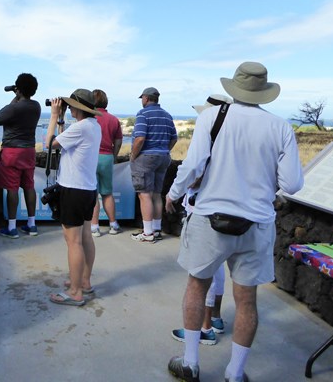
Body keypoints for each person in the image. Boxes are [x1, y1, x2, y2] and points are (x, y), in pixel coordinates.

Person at [165, 62, 304, 382]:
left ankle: (190, 363)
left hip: (209, 219)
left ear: (234, 87)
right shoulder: (280, 127)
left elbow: (193, 165)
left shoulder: (212, 117)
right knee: (247, 301)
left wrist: (173, 193)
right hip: (256, 224)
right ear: (264, 92)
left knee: (196, 287)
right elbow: (293, 184)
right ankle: (235, 373)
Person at [170, 94, 232, 348]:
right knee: (218, 272)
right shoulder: (231, 139)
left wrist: (174, 192)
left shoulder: (211, 138)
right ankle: (215, 318)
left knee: (202, 272)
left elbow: (195, 172)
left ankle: (204, 328)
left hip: (205, 211)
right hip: (230, 212)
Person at [45, 89, 101, 306]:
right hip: (87, 189)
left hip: (73, 190)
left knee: (73, 241)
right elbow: (66, 142)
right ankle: (84, 282)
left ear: (77, 107)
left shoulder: (80, 128)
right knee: (85, 237)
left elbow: (49, 144)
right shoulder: (93, 126)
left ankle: (75, 291)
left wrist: (52, 116)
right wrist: (61, 122)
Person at [0, 73, 42, 238]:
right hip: (29, 151)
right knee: (29, 186)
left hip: (12, 151)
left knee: (12, 188)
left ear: (18, 90)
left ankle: (12, 227)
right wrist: (19, 95)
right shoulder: (37, 106)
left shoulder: (14, 107)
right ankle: (31, 224)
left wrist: (14, 99)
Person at [129, 86, 177, 243]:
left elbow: (140, 138)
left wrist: (133, 156)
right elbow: (174, 138)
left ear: (146, 98)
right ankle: (156, 230)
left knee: (144, 195)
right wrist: (164, 150)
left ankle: (147, 233)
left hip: (145, 157)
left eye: (142, 98)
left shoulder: (143, 114)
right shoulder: (167, 115)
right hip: (163, 157)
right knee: (157, 194)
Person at [90, 89, 123, 237]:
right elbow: (118, 140)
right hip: (107, 157)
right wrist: (114, 155)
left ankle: (94, 227)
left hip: (91, 157)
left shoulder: (90, 118)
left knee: (93, 193)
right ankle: (113, 224)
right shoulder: (113, 119)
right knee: (107, 193)